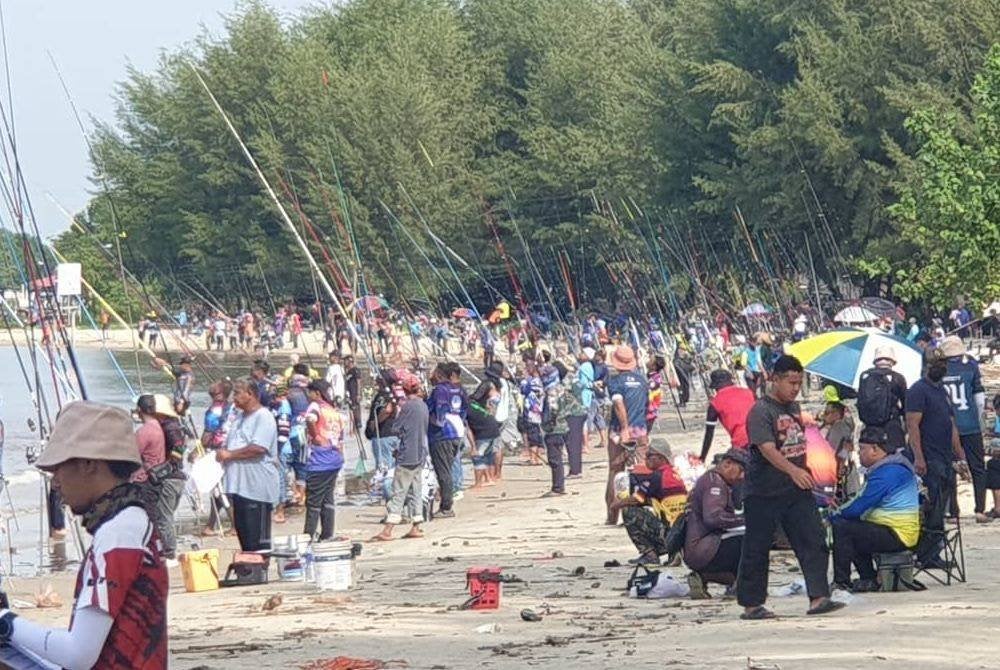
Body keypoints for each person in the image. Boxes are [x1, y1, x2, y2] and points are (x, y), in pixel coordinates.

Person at [2, 401, 167, 668]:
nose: (55, 481)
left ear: (89, 463)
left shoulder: (117, 536)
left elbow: (78, 655)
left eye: (58, 469)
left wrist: (6, 623)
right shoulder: (134, 521)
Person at [737, 355, 843, 619]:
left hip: (795, 489)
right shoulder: (761, 411)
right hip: (763, 489)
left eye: (799, 382)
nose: (795, 388)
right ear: (775, 379)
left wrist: (803, 471)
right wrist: (793, 470)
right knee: (757, 547)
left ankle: (818, 597)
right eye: (791, 382)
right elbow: (767, 449)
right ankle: (752, 604)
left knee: (813, 539)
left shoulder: (794, 409)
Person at [829, 427, 921, 592]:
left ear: (875, 449)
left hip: (897, 533)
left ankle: (841, 582)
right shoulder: (891, 467)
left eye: (862, 449)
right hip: (893, 529)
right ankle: (868, 578)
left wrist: (832, 515)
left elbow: (859, 505)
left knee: (842, 527)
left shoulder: (888, 472)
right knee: (853, 528)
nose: (859, 453)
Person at [906, 351, 971, 567]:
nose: (941, 367)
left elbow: (951, 424)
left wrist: (960, 455)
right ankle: (925, 554)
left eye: (943, 363)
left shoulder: (942, 391)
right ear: (927, 365)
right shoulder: (917, 390)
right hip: (928, 456)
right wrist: (919, 457)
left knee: (942, 506)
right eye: (937, 363)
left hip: (945, 457)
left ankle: (934, 552)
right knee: (931, 506)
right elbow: (913, 425)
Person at [218, 378, 281, 552]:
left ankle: (259, 568)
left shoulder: (264, 417)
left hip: (257, 488)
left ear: (250, 394)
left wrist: (230, 454)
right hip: (239, 487)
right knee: (244, 533)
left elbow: (258, 448)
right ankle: (248, 569)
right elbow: (232, 443)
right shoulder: (239, 417)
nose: (233, 398)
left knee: (257, 539)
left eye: (237, 393)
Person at [610, 438, 687, 565]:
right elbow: (652, 500)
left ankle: (649, 554)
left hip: (671, 533)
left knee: (629, 511)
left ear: (661, 458)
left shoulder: (657, 477)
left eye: (649, 455)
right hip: (682, 531)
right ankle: (673, 552)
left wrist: (616, 505)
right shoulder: (674, 475)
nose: (646, 459)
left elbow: (637, 499)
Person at [938, 335, 989, 523]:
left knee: (950, 467)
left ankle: (953, 512)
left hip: (946, 426)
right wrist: (979, 420)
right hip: (969, 424)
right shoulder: (970, 366)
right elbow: (979, 398)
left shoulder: (939, 369)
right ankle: (980, 510)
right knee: (978, 467)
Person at [684, 449, 747, 598]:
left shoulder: (711, 480)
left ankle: (704, 577)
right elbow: (713, 518)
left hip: (698, 550)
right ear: (727, 464)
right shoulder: (715, 484)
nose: (742, 476)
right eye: (741, 470)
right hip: (703, 546)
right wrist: (746, 520)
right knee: (753, 538)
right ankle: (742, 585)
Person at [132, 394, 187, 563]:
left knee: (161, 517)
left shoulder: (160, 428)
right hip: (171, 477)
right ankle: (163, 550)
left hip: (167, 478)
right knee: (161, 516)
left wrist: (168, 467)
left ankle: (168, 553)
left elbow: (132, 452)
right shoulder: (164, 427)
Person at [605, 345, 650, 525]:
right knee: (640, 471)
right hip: (640, 430)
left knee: (615, 471)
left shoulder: (615, 382)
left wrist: (624, 428)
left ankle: (612, 515)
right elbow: (647, 407)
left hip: (619, 431)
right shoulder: (642, 380)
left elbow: (618, 405)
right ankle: (637, 514)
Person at [303, 380, 345, 541]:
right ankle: (327, 534)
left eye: (310, 392)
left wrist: (316, 437)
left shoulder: (316, 406)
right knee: (327, 498)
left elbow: (310, 419)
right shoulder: (333, 411)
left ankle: (308, 536)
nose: (308, 396)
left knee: (313, 502)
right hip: (334, 459)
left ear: (317, 393)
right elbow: (340, 438)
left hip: (320, 460)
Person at [426, 362, 468, 518]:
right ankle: (446, 500)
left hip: (443, 433)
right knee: (447, 469)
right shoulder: (459, 389)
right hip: (457, 431)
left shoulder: (440, 390)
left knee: (443, 471)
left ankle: (446, 506)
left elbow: (439, 412)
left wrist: (432, 420)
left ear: (438, 374)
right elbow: (464, 409)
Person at [855, 346, 908, 453]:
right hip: (891, 426)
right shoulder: (898, 378)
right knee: (896, 458)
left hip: (869, 427)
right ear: (892, 361)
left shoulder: (865, 376)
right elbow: (906, 405)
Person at [700, 369, 755, 462]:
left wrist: (702, 458)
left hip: (741, 442)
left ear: (716, 388)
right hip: (762, 437)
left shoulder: (715, 403)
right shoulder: (749, 392)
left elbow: (709, 434)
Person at [366, 371, 402, 501]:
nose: (376, 382)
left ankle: (384, 493)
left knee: (383, 466)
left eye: (378, 380)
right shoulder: (394, 395)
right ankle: (390, 490)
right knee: (392, 466)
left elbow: (387, 410)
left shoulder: (383, 396)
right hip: (393, 435)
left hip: (383, 436)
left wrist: (375, 422)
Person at [823, 401, 858, 501]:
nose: (824, 416)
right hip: (842, 469)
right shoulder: (844, 427)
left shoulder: (838, 427)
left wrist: (841, 465)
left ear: (836, 414)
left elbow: (844, 448)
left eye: (827, 413)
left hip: (838, 470)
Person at [646, 354, 666, 432]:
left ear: (654, 366)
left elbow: (650, 388)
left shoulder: (656, 378)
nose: (647, 361)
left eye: (650, 360)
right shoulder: (649, 375)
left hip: (650, 410)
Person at [344, 355, 362, 433]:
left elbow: (359, 382)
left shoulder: (355, 370)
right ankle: (353, 427)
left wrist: (358, 394)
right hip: (350, 394)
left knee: (355, 409)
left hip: (355, 393)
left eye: (346, 360)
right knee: (351, 409)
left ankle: (357, 427)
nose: (344, 362)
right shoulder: (348, 372)